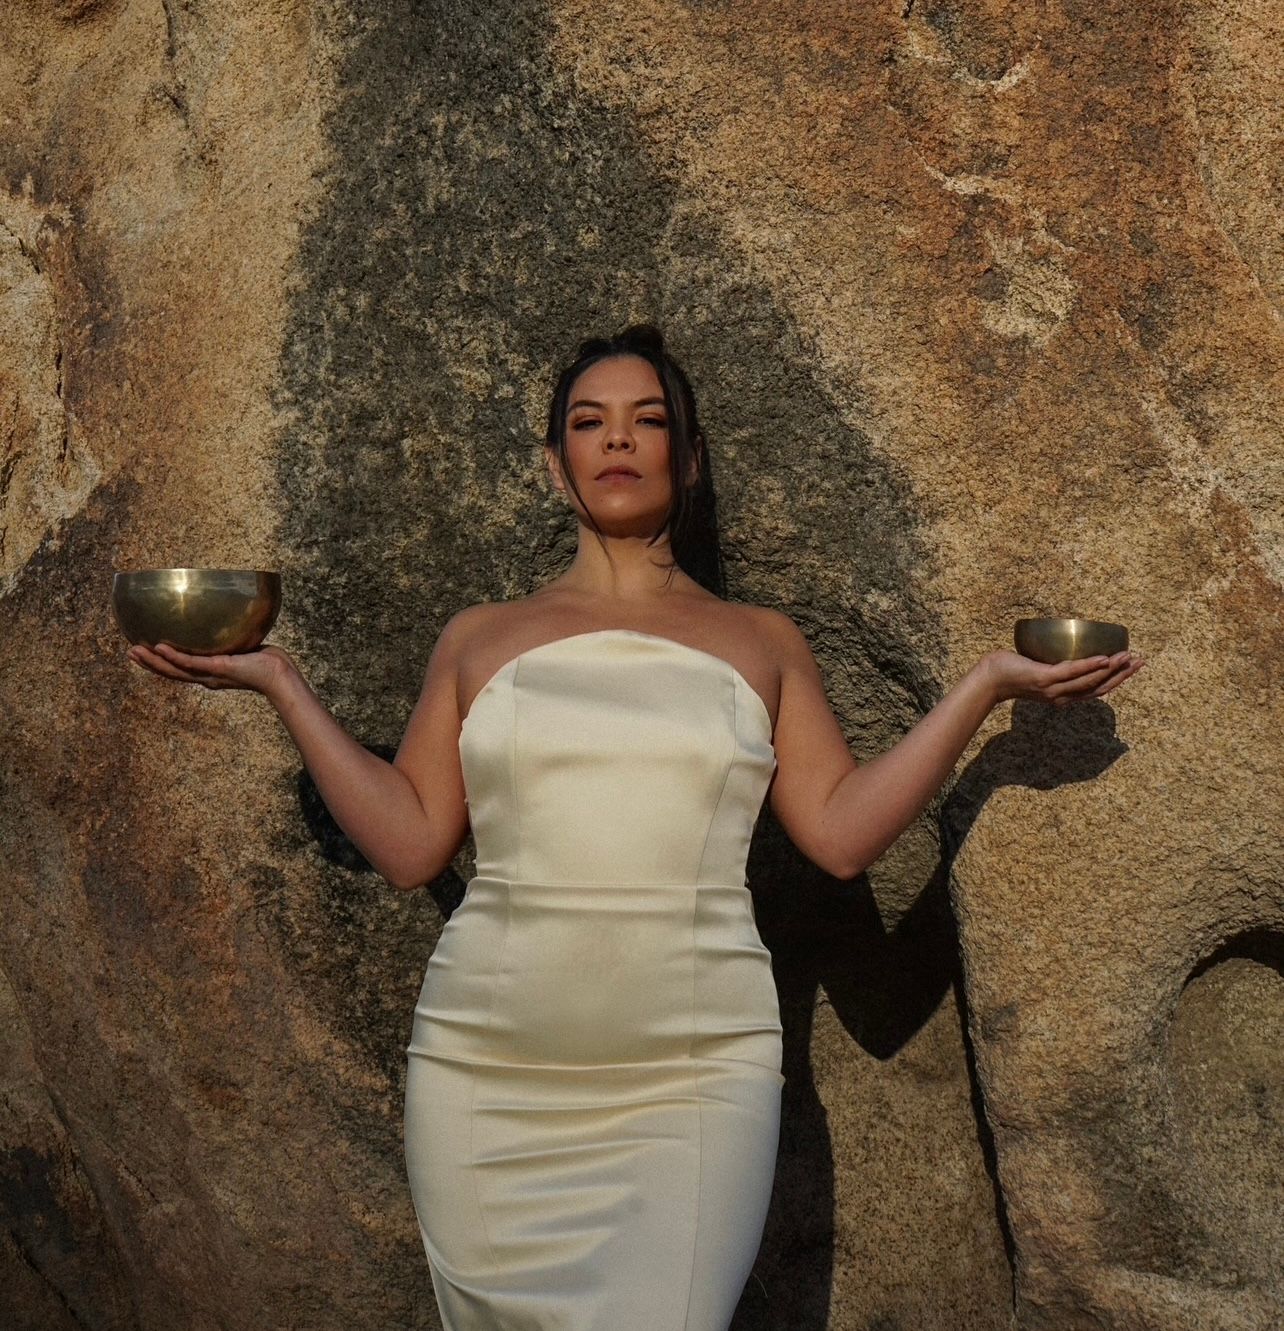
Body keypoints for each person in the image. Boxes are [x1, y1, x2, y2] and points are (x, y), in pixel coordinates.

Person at [125, 324, 1144, 1329]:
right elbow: (411, 844)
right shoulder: (479, 637)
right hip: (490, 1067)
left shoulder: (762, 642)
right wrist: (282, 684)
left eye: (647, 420)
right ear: (555, 461)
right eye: (589, 420)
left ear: (689, 460)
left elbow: (838, 835)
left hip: (694, 1069)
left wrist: (985, 689)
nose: (617, 439)